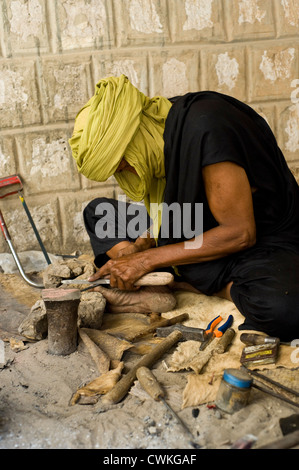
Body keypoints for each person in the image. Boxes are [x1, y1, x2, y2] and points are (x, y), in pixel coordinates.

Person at [69, 74, 299, 342]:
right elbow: (171, 208)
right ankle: (145, 281)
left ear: (135, 134)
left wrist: (146, 260)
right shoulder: (162, 125)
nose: (128, 173)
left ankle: (177, 282)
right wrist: (139, 247)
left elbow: (240, 234)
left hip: (256, 240)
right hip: (188, 223)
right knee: (99, 213)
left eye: (124, 163)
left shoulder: (207, 128)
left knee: (284, 308)